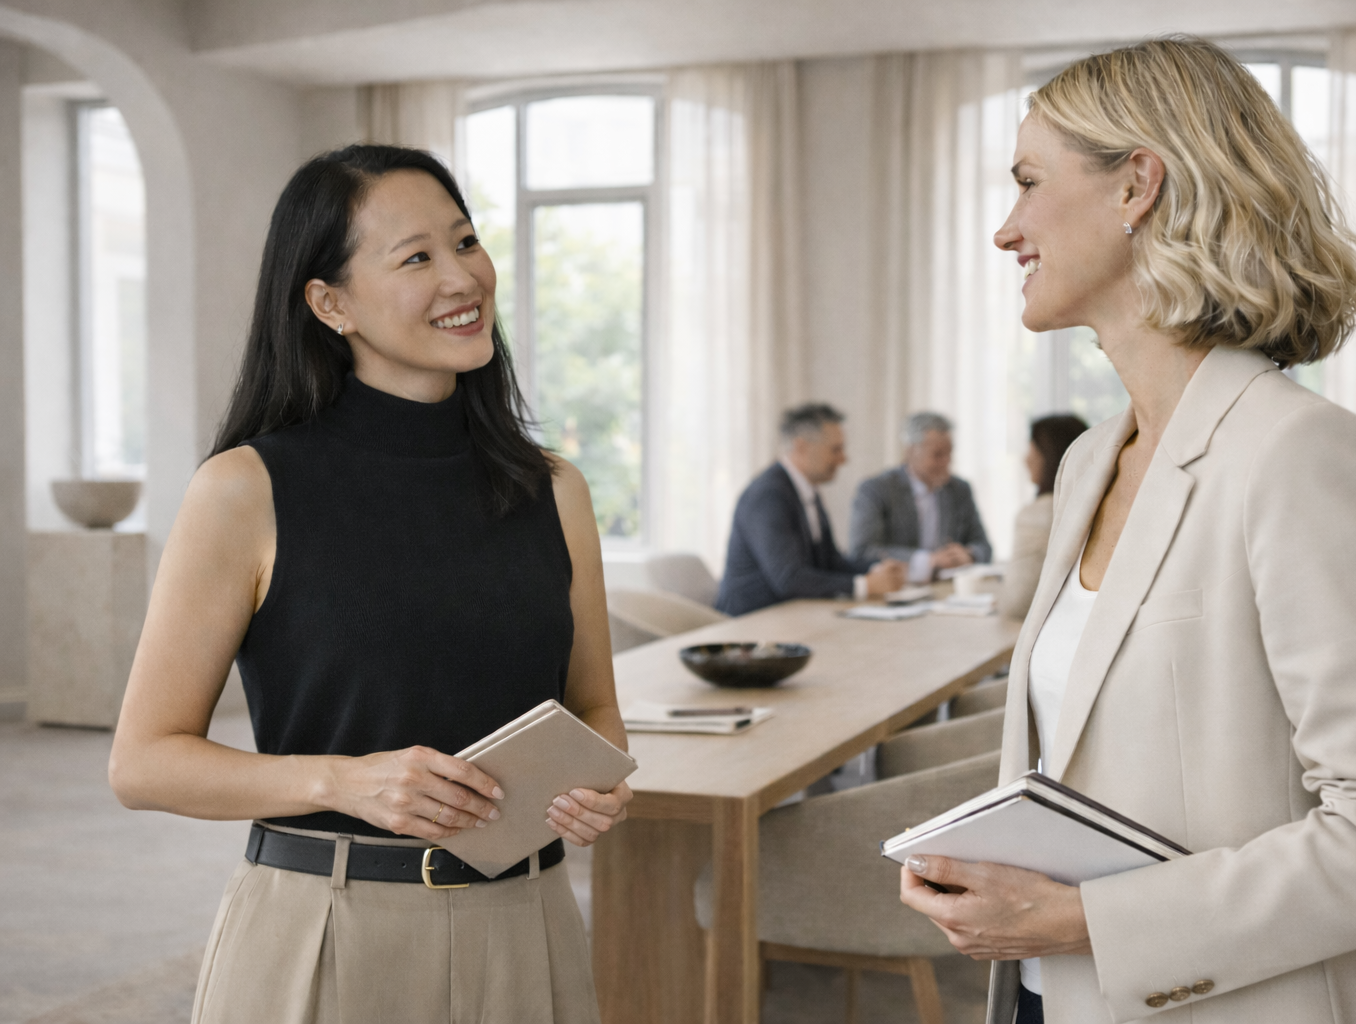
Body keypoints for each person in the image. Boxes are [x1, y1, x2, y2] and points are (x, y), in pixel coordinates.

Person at [897, 37, 1356, 1024]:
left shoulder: (1298, 453)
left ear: (1138, 188)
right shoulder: (1088, 463)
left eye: (1029, 182)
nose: (1006, 229)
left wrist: (1090, 921)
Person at [107, 145, 631, 1024]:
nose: (463, 276)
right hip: (326, 930)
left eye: (465, 242)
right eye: (416, 257)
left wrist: (601, 788)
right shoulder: (245, 490)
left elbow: (596, 711)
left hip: (527, 923)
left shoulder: (552, 487)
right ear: (330, 302)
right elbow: (143, 763)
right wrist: (342, 784)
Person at [715, 403, 906, 616]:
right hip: (752, 623)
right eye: (836, 449)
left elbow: (830, 562)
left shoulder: (806, 491)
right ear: (801, 447)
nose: (843, 459)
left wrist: (877, 568)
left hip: (793, 616)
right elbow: (789, 579)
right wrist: (864, 586)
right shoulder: (768, 495)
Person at [848, 411, 993, 582]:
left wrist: (968, 555)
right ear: (910, 452)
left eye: (949, 453)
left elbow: (984, 547)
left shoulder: (959, 489)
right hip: (896, 589)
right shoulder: (876, 489)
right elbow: (862, 551)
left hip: (946, 589)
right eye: (938, 455)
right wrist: (928, 561)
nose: (947, 461)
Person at [998, 414, 1088, 619]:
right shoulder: (1102, 505)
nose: (1026, 458)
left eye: (1032, 447)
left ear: (1049, 455)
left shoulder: (1036, 515)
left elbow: (1017, 604)